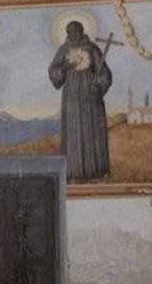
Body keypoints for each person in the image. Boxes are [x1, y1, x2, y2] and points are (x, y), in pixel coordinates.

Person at [48, 20, 113, 179]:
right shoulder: (63, 51)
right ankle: (74, 172)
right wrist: (65, 67)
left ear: (82, 31)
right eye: (70, 31)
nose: (74, 34)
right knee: (73, 132)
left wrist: (99, 85)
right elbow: (53, 71)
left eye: (77, 31)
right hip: (71, 99)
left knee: (94, 132)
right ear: (66, 33)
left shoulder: (92, 49)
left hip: (91, 98)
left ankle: (98, 170)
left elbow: (104, 73)